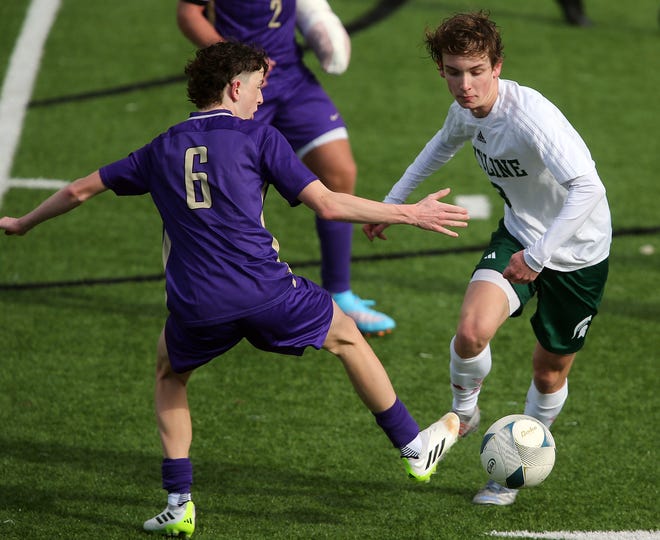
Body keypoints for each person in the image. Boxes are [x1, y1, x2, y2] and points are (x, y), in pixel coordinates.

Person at [0, 42, 470, 537]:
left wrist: (24, 222)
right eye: (260, 88)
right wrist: (410, 213)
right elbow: (328, 205)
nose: (262, 100)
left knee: (169, 373)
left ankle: (179, 502)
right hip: (267, 292)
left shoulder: (159, 147)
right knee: (348, 336)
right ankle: (412, 447)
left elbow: (79, 189)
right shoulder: (260, 138)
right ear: (235, 87)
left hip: (196, 306)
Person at [364, 11, 611, 506]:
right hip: (519, 233)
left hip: (577, 250)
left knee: (548, 372)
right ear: (442, 70)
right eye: (454, 72)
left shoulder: (530, 117)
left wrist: (539, 257)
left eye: (476, 71)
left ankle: (517, 464)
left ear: (497, 66)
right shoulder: (464, 110)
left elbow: (588, 187)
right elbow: (439, 147)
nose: (465, 84)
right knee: (472, 331)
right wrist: (394, 207)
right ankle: (466, 412)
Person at [175, 0, 397, 337]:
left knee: (339, 172)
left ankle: (340, 293)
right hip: (240, 84)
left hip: (292, 79)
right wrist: (237, 59)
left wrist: (321, 22)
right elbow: (189, 14)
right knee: (229, 192)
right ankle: (223, 294)